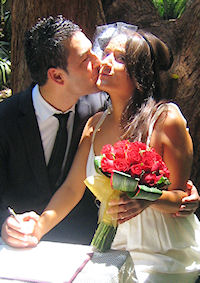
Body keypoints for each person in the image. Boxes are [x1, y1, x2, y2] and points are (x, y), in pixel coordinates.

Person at [2, 22, 200, 281]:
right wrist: (38, 227)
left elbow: (179, 197)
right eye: (104, 52)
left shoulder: (166, 119)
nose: (102, 62)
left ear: (139, 72)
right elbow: (73, 188)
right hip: (110, 245)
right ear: (57, 76)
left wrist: (147, 197)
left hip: (162, 248)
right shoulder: (94, 123)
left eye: (118, 58)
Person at [0, 15, 107, 244]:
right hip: (18, 248)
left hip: (82, 244)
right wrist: (4, 224)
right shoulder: (5, 119)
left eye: (92, 51)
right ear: (57, 76)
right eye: (85, 59)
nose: (98, 61)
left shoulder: (101, 110)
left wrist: (177, 192)